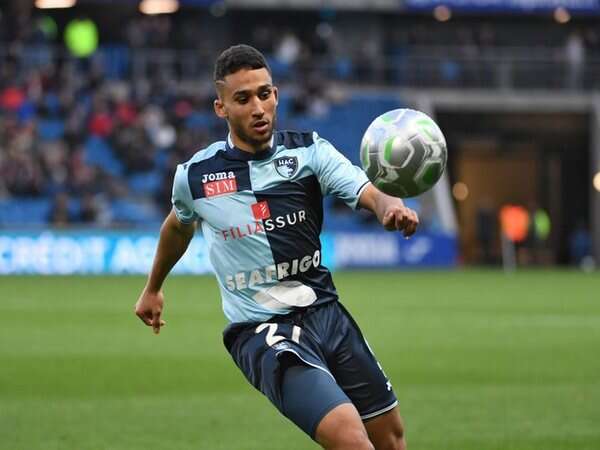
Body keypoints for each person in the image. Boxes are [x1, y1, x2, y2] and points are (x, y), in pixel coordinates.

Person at [135, 44, 418, 450]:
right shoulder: (195, 177)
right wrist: (153, 288)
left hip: (327, 314)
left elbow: (367, 190)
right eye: (243, 99)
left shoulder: (309, 151)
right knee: (349, 438)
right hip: (262, 331)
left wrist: (391, 207)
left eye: (264, 94)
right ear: (221, 108)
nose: (258, 108)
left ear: (276, 95)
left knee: (391, 438)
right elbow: (178, 227)